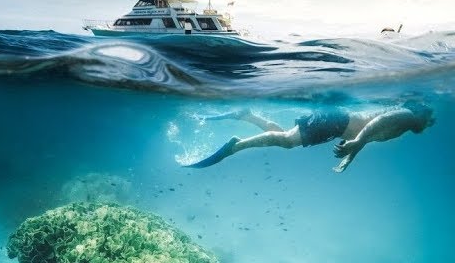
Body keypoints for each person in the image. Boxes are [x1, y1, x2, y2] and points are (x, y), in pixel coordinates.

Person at [184, 100, 435, 173]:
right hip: (337, 121)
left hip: (337, 121)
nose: (430, 122)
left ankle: (247, 114)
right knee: (286, 142)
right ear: (421, 111)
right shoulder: (410, 115)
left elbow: (368, 132)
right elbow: (380, 122)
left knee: (286, 137)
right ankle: (236, 146)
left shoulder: (406, 121)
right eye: (430, 116)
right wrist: (357, 141)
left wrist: (351, 155)